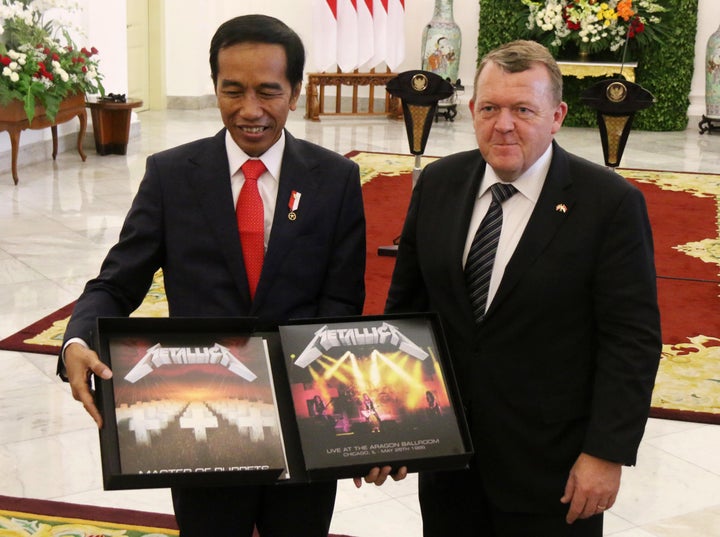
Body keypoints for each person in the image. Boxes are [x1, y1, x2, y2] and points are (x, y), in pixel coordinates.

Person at [57, 14, 368, 537]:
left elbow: (341, 305)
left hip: (302, 421)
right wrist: (76, 340)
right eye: (233, 91)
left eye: (269, 91)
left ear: (296, 91)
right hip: (199, 420)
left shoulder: (335, 180)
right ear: (215, 88)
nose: (250, 111)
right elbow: (117, 282)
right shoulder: (172, 176)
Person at [383, 40, 661, 536]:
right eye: (490, 108)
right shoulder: (438, 184)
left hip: (551, 473)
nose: (503, 124)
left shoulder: (609, 205)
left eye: (523, 110)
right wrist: (394, 426)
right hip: (449, 462)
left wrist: (606, 453)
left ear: (556, 116)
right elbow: (406, 313)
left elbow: (632, 341)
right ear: (472, 110)